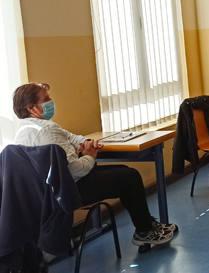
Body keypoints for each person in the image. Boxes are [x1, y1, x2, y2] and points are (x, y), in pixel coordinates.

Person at [12, 83, 178, 247]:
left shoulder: (22, 130)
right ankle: (145, 231)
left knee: (122, 172)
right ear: (32, 108)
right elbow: (76, 170)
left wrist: (86, 142)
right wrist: (90, 155)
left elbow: (70, 137)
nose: (51, 101)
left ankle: (147, 225)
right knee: (129, 177)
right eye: (46, 98)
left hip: (45, 195)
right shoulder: (47, 129)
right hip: (68, 191)